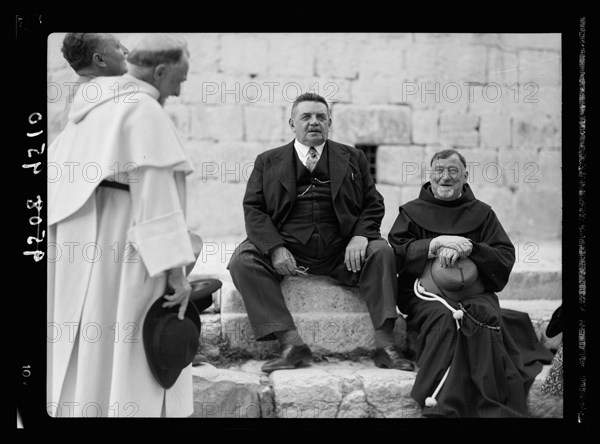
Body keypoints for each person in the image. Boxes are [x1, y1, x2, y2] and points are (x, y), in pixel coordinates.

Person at [47, 34, 197, 418]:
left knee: (89, 343)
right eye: (178, 80)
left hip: (81, 242)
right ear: (160, 72)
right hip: (125, 241)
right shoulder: (142, 110)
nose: (178, 91)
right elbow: (157, 196)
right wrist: (176, 273)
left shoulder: (85, 109)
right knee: (129, 346)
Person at [227, 93, 414, 373]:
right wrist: (275, 248)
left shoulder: (353, 157)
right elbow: (253, 209)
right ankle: (291, 344)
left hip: (342, 251)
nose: (314, 122)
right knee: (243, 260)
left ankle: (385, 345)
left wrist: (361, 236)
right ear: (292, 123)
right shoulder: (267, 161)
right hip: (290, 248)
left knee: (382, 251)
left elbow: (373, 203)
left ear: (329, 123)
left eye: (320, 117)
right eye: (306, 117)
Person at [387, 149, 554, 418]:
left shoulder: (483, 214)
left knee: (480, 317)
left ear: (465, 176)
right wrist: (433, 245)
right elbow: (397, 251)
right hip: (424, 292)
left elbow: (504, 255)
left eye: (453, 171)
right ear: (430, 176)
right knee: (444, 320)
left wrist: (471, 248)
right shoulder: (411, 212)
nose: (445, 177)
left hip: (475, 292)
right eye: (439, 171)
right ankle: (440, 401)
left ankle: (485, 400)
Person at [58, 33, 129, 128]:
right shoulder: (101, 99)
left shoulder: (79, 97)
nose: (126, 51)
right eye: (117, 46)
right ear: (100, 59)